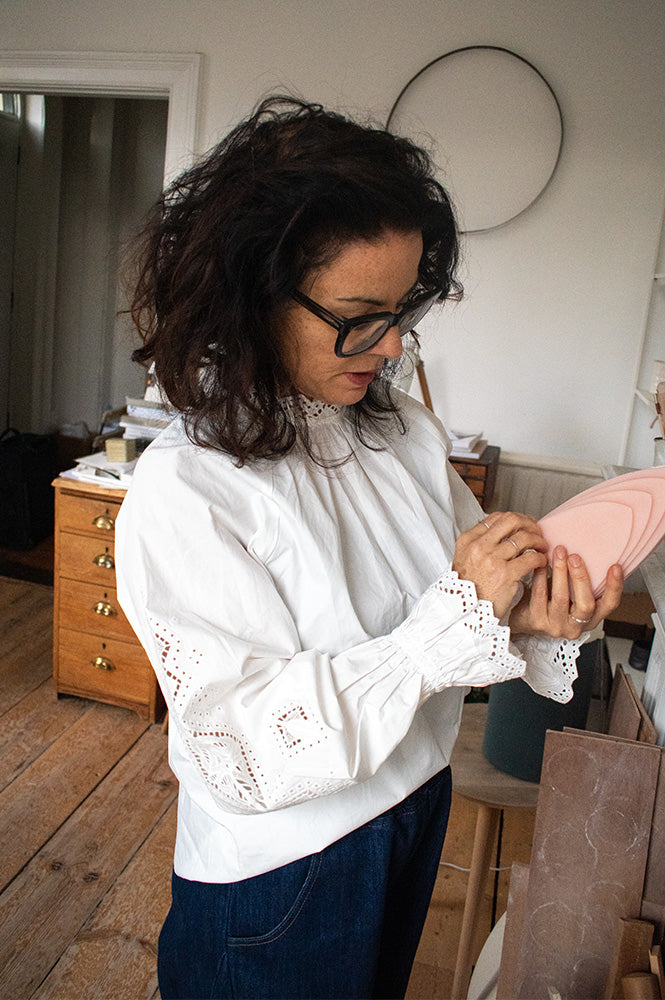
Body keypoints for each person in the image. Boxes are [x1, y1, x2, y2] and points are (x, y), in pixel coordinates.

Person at [115, 95, 623, 1000]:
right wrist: (445, 628)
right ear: (253, 291)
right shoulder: (188, 488)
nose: (389, 347)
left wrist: (529, 620)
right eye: (358, 314)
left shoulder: (399, 430)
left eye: (403, 309)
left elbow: (448, 624)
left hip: (414, 802)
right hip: (285, 868)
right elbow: (239, 751)